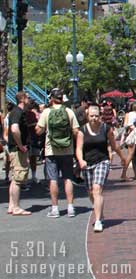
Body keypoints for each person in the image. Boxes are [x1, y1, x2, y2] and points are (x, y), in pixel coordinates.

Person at [75, 104, 126, 232]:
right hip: (87, 163)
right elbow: (79, 148)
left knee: (97, 190)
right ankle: (100, 212)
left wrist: (122, 157)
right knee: (90, 192)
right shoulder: (82, 131)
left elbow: (114, 145)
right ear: (87, 116)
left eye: (96, 116)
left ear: (100, 116)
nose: (94, 118)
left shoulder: (105, 128)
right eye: (91, 116)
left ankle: (98, 221)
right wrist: (81, 161)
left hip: (102, 161)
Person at [36, 88, 80, 218]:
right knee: (68, 178)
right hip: (67, 150)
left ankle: (55, 209)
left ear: (51, 99)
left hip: (51, 151)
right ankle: (70, 207)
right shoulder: (69, 112)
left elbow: (38, 130)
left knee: (53, 180)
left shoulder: (46, 112)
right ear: (62, 98)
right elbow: (76, 131)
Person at [7, 92, 31, 216]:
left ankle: (12, 205)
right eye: (27, 97)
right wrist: (20, 145)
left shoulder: (15, 112)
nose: (29, 99)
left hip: (14, 149)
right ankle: (16, 207)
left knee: (15, 178)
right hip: (17, 149)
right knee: (18, 178)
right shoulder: (17, 112)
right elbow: (14, 129)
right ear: (22, 99)